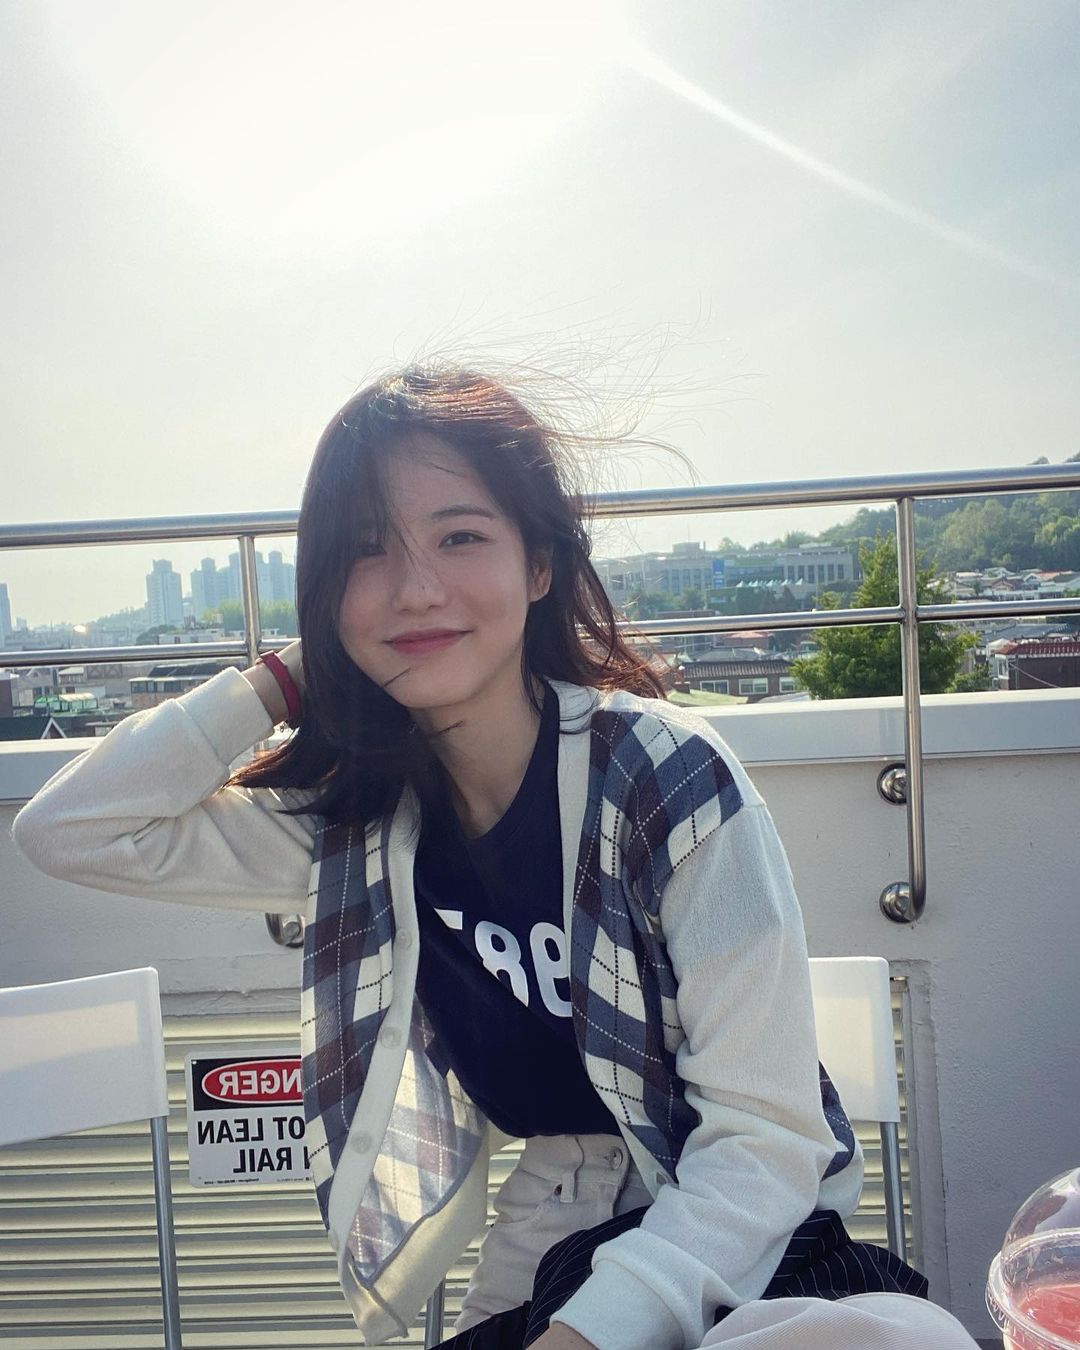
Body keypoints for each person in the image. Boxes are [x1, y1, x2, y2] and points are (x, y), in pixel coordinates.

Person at [12, 366, 976, 1350]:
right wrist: (293, 676)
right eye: (366, 551)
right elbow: (71, 829)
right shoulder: (358, 826)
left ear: (539, 564)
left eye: (461, 537)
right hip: (553, 1217)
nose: (416, 589)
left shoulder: (664, 780)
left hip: (741, 1231)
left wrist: (590, 1335)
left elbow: (767, 1144)